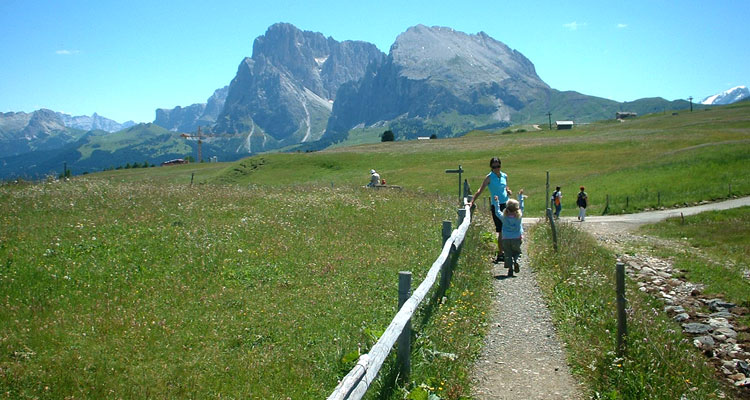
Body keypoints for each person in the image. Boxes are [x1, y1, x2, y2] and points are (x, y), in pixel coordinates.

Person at [468, 157, 510, 263]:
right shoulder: (489, 178)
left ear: (500, 166)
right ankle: (501, 253)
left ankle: (507, 251)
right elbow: (480, 190)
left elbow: (505, 187)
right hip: (496, 205)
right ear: (491, 167)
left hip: (506, 204)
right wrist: (472, 201)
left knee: (508, 227)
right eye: (494, 166)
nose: (496, 168)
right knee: (500, 229)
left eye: (498, 166)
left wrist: (508, 191)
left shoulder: (504, 176)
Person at [494, 192, 524, 277]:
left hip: (506, 238)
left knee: (507, 253)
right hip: (517, 238)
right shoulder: (519, 217)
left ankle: (510, 269)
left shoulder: (504, 217)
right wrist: (520, 196)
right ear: (517, 209)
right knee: (517, 252)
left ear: (507, 208)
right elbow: (522, 207)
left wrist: (496, 202)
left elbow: (497, 212)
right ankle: (516, 260)